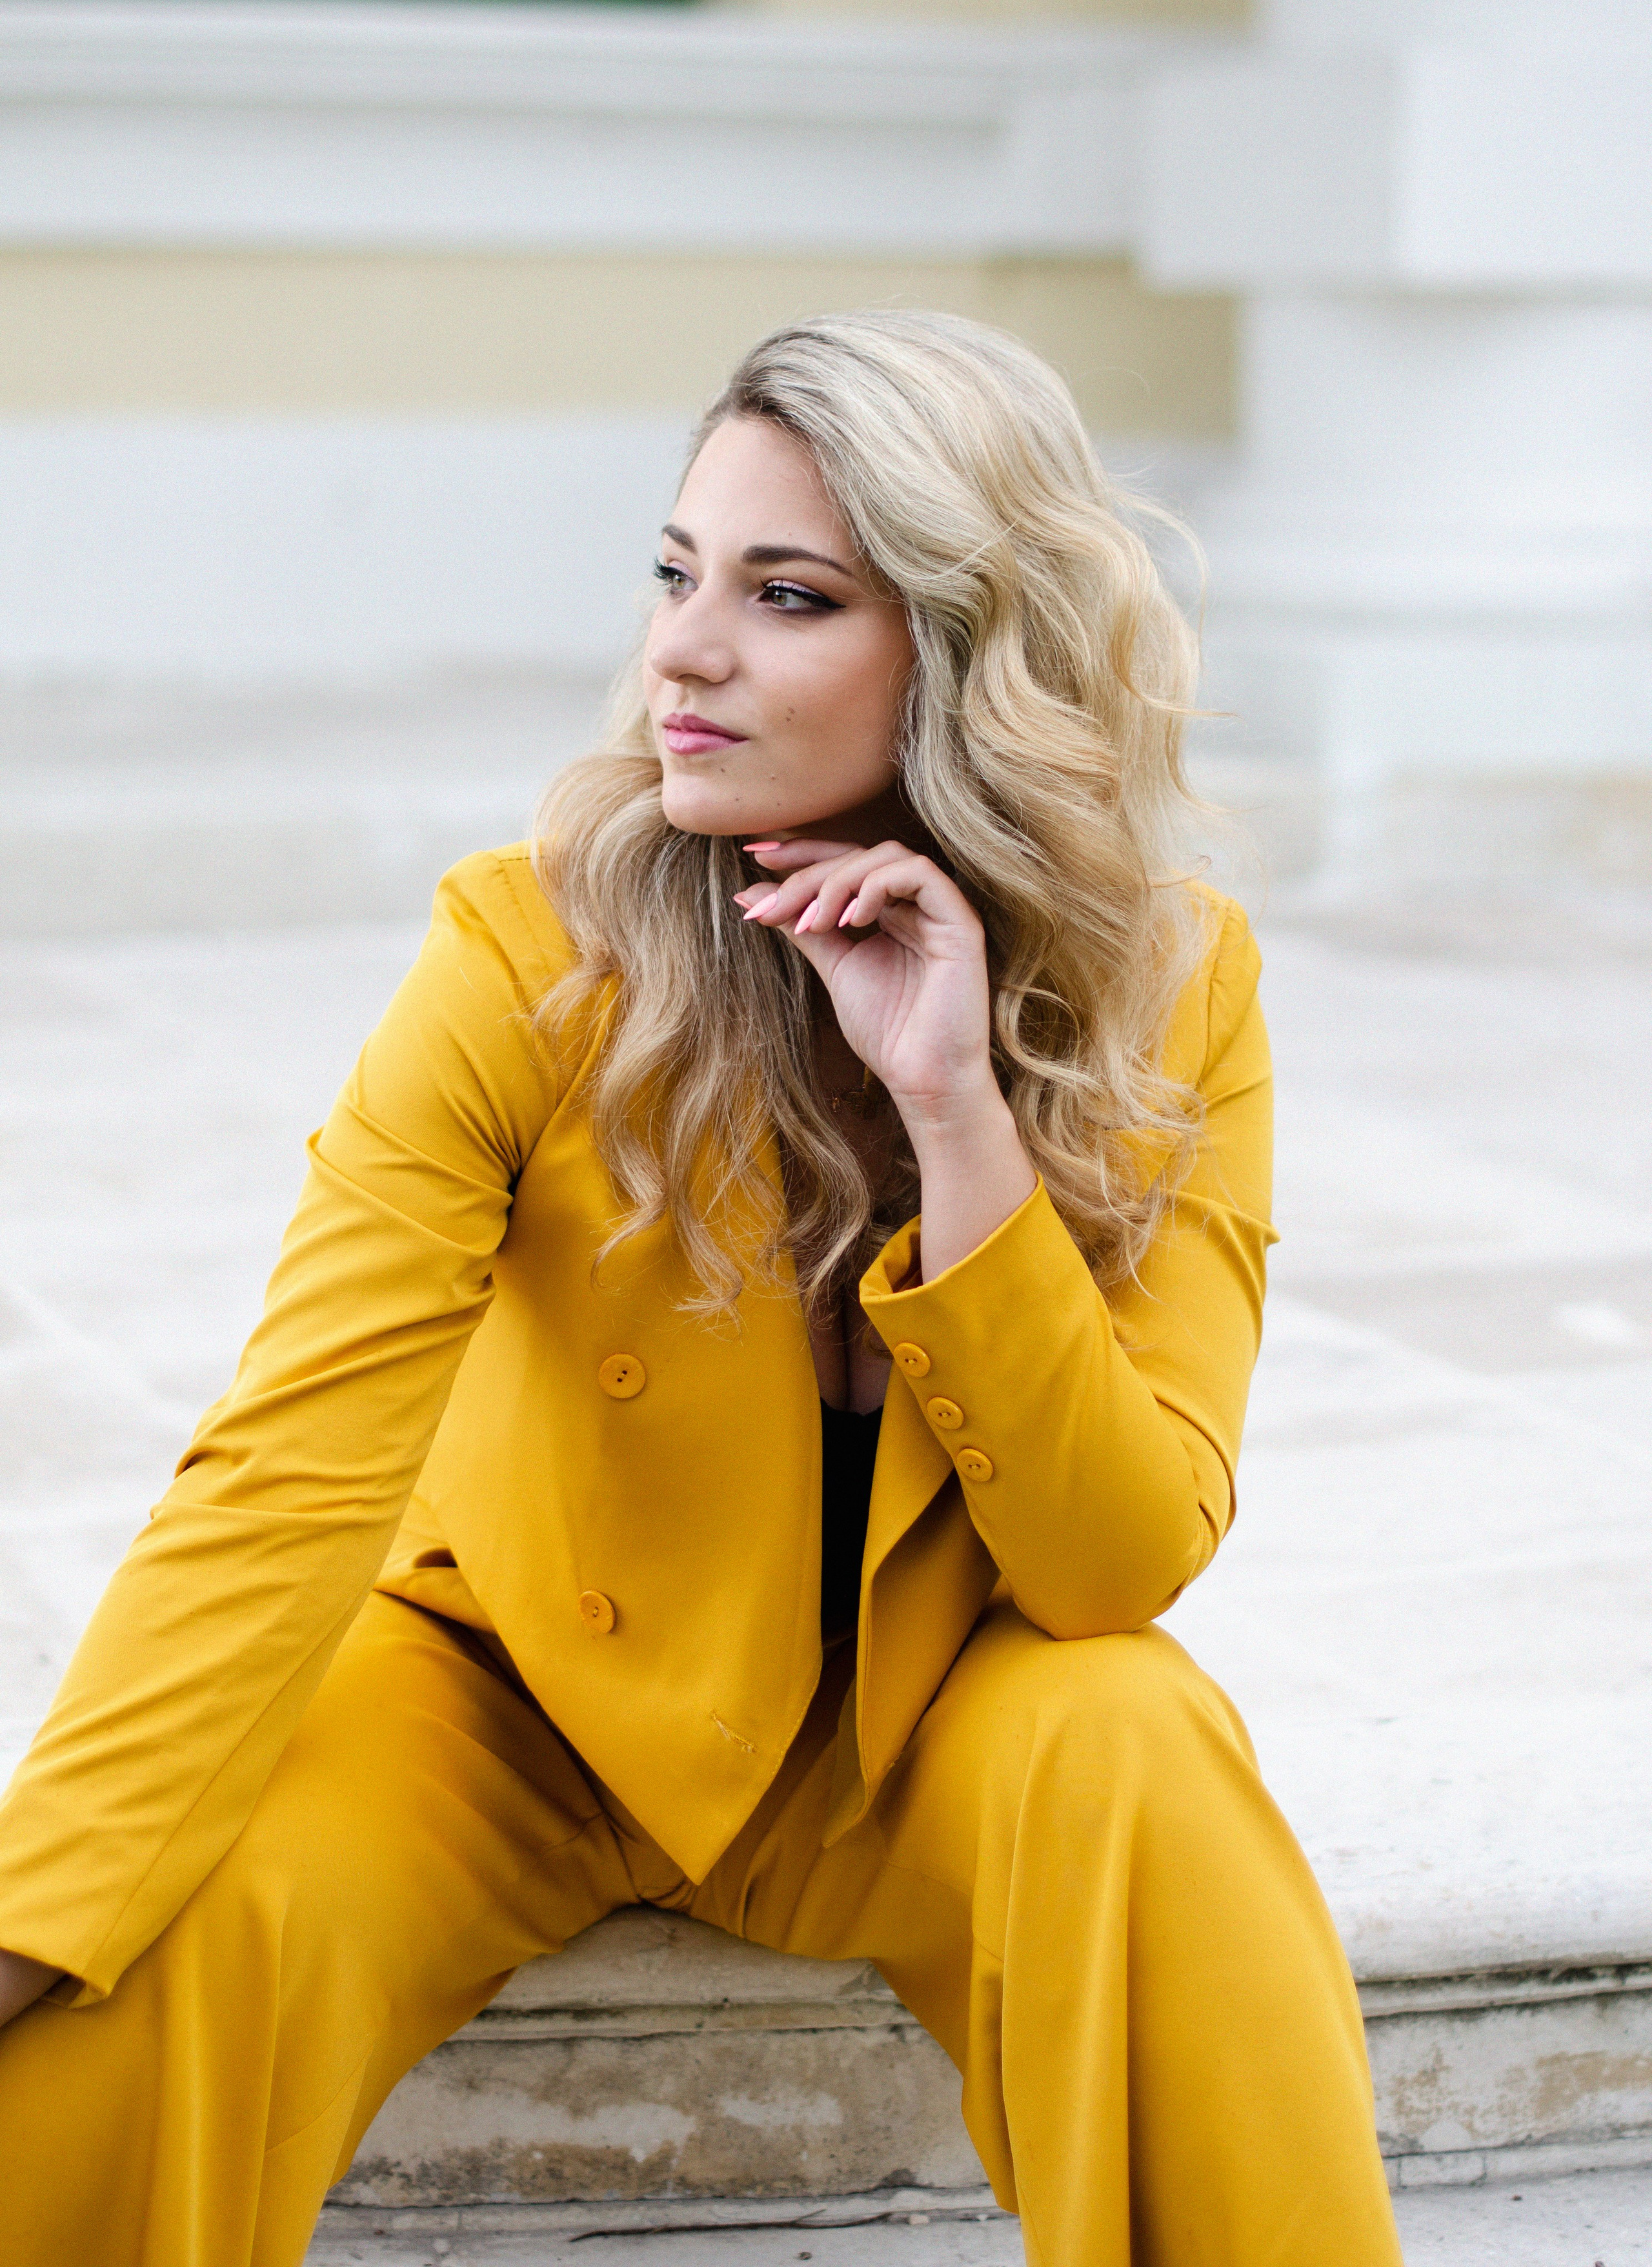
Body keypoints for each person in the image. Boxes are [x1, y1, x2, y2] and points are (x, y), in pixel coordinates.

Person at [0, 310, 1404, 2265]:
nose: (683, 646)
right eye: (677, 573)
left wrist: (959, 1108)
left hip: (924, 1727)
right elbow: (286, 1470)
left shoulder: (1177, 990)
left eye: (788, 593)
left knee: (1142, 1749)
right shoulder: (525, 948)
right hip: (511, 1698)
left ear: (967, 653)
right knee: (148, 1959)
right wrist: (25, 1915)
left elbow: (1110, 1563)